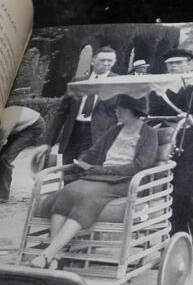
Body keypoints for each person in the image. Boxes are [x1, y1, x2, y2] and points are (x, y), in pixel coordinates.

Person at [30, 94, 158, 269]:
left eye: (122, 108)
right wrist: (82, 161)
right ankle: (54, 255)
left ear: (134, 110)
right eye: (117, 108)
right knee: (68, 191)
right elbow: (93, 151)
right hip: (99, 176)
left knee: (86, 196)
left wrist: (104, 170)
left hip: (124, 180)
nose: (117, 111)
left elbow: (141, 165)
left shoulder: (149, 133)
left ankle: (48, 254)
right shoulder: (115, 130)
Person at [149, 48, 193, 262]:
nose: (173, 67)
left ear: (189, 64)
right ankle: (175, 241)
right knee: (169, 194)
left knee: (184, 192)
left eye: (178, 63)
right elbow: (151, 110)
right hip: (168, 140)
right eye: (170, 64)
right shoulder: (161, 85)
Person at [35, 46, 119, 167]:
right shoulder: (78, 82)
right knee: (68, 172)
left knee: (88, 175)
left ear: (114, 62)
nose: (106, 64)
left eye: (110, 61)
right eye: (102, 60)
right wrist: (48, 142)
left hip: (98, 136)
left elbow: (120, 115)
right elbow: (61, 113)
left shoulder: (118, 83)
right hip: (73, 134)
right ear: (93, 61)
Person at [0, 106, 45, 202]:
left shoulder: (5, 124)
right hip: (18, 126)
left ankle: (3, 195)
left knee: (5, 158)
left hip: (34, 126)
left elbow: (2, 138)